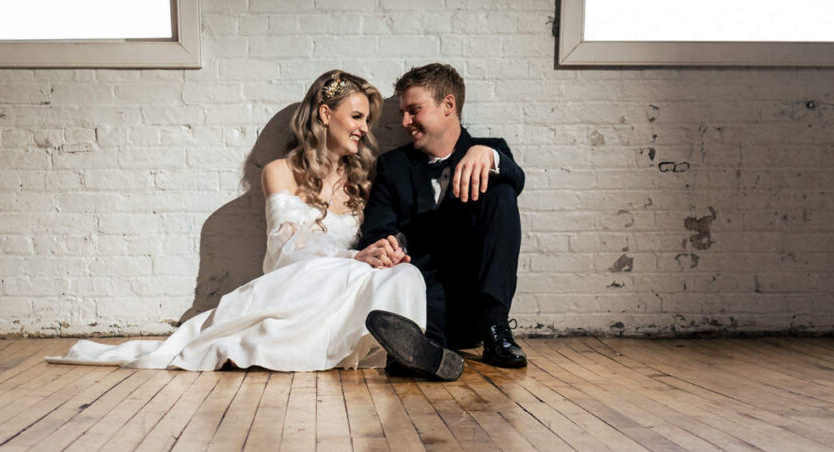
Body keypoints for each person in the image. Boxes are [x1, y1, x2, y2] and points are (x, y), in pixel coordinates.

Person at [48, 70, 425, 372]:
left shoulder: (363, 181)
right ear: (326, 115)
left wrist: (384, 253)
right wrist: (352, 259)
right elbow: (283, 251)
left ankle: (406, 355)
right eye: (357, 117)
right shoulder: (279, 172)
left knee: (405, 275)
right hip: (294, 285)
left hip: (342, 285)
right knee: (361, 273)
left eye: (367, 120)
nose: (364, 128)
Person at [360, 62, 528, 381]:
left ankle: (496, 327)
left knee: (501, 191)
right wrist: (390, 247)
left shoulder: (491, 150)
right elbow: (376, 231)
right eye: (403, 113)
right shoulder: (393, 166)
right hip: (420, 302)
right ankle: (425, 352)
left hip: (471, 305)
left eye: (414, 110)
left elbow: (517, 178)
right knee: (405, 259)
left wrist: (490, 157)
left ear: (448, 105)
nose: (405, 121)